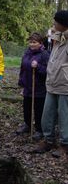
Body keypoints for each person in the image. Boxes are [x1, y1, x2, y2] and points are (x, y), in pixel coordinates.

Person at [33, 10, 68, 159]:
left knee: (65, 117)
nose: (53, 24)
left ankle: (65, 145)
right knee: (47, 115)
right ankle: (48, 140)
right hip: (52, 82)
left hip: (65, 85)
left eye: (56, 21)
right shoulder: (56, 38)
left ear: (63, 24)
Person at [16, 32, 49, 141]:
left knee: (38, 109)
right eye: (30, 42)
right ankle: (27, 124)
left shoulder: (44, 54)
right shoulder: (27, 53)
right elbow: (23, 69)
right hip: (28, 86)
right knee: (26, 107)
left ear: (40, 43)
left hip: (39, 88)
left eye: (34, 42)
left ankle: (39, 129)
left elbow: (48, 71)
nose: (32, 44)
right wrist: (21, 84)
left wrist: (38, 66)